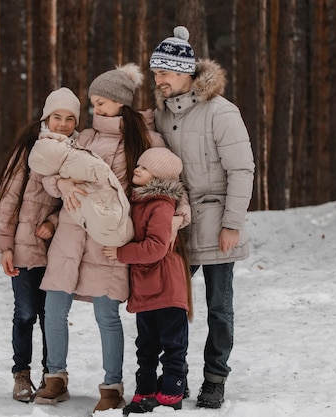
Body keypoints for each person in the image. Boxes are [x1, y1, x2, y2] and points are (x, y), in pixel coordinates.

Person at [32, 63, 166, 413]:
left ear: (120, 102)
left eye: (101, 101)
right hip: (70, 235)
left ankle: (111, 385)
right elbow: (48, 171)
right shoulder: (83, 138)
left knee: (107, 314)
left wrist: (175, 218)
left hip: (109, 241)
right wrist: (59, 184)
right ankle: (54, 377)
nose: (95, 109)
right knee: (54, 308)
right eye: (93, 102)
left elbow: (166, 184)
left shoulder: (146, 140)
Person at [149, 26, 256, 408]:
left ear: (186, 73)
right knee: (166, 303)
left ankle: (215, 378)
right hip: (177, 225)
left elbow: (242, 170)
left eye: (164, 73)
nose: (158, 80)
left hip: (216, 222)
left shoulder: (221, 112)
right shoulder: (161, 114)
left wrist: (232, 224)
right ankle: (174, 373)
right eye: (155, 73)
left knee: (218, 307)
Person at [0, 87, 80, 403]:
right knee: (26, 313)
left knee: (50, 317)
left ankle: (50, 375)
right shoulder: (30, 149)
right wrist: (5, 247)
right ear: (46, 117)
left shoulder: (77, 152)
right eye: (58, 117)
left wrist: (52, 223)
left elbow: (74, 202)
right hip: (25, 249)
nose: (63, 124)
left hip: (57, 250)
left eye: (70, 118)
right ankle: (21, 374)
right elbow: (8, 200)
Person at [102, 147, 193, 415]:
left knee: (172, 343)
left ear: (158, 177)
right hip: (145, 288)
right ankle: (145, 390)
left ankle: (173, 391)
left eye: (143, 168)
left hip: (165, 285)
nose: (136, 169)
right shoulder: (140, 202)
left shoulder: (161, 205)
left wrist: (121, 253)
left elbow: (156, 247)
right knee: (146, 344)